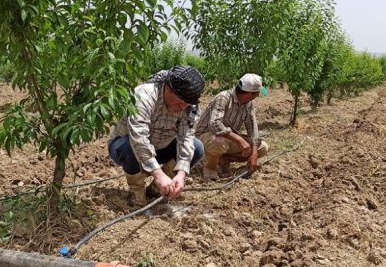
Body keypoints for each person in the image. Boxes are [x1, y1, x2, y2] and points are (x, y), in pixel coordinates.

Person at [107, 66, 206, 204]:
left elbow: (186, 138)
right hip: (127, 146)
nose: (182, 107)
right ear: (168, 89)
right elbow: (139, 138)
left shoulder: (189, 107)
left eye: (187, 104)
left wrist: (181, 174)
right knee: (128, 146)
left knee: (197, 147)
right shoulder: (144, 96)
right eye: (180, 102)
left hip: (160, 147)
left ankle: (157, 188)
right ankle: (137, 191)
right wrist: (159, 174)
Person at [195, 73, 269, 180]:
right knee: (218, 141)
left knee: (262, 148)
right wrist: (240, 140)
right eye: (257, 93)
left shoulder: (249, 104)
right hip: (207, 136)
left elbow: (252, 128)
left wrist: (254, 154)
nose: (258, 96)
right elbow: (215, 124)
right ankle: (210, 168)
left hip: (228, 138)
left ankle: (224, 160)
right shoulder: (223, 97)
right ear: (250, 93)